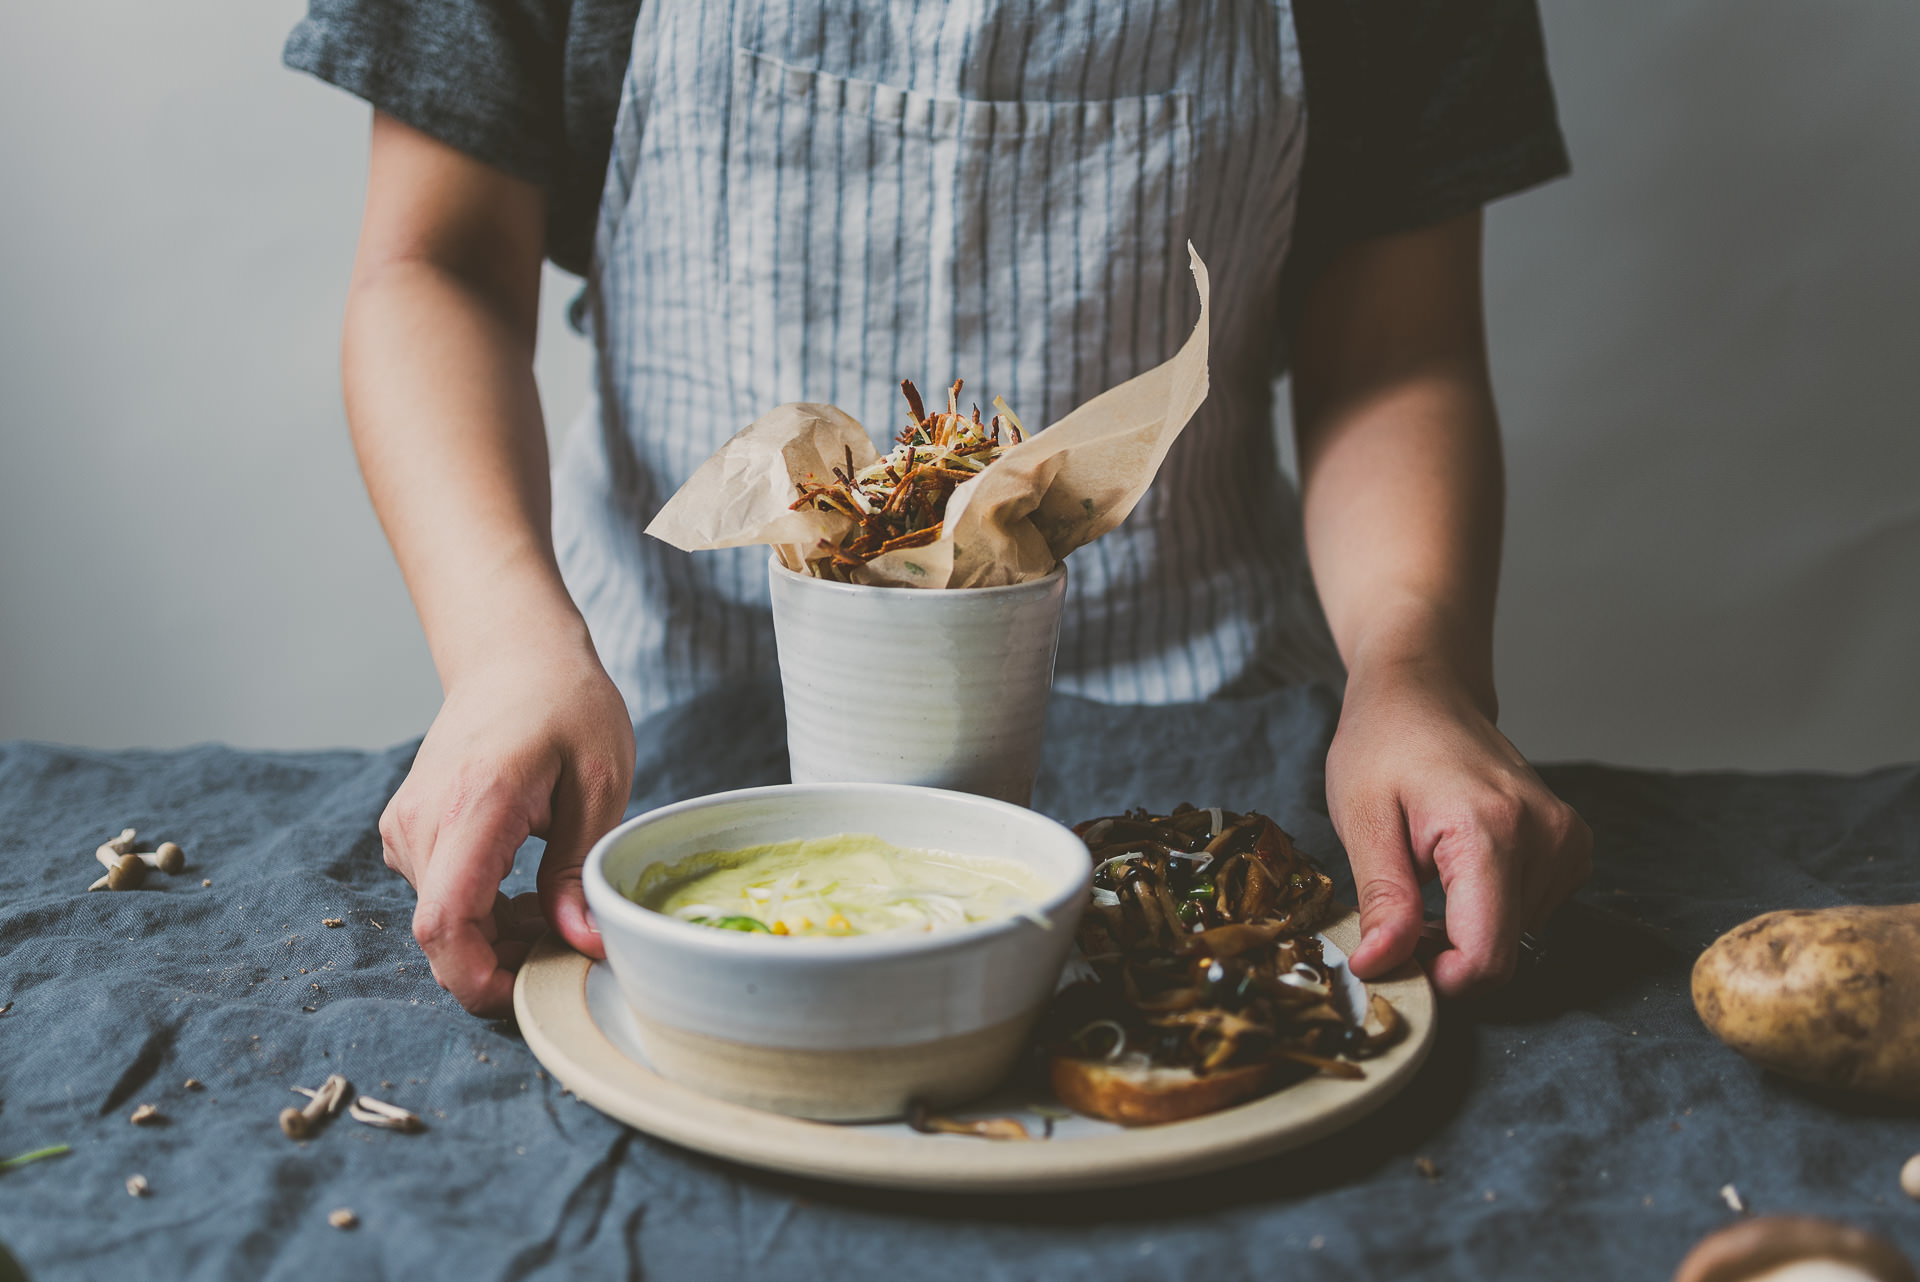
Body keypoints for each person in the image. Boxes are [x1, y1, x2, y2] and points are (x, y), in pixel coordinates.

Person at [286, 0, 1592, 1016]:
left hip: (1209, 785)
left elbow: (1394, 347)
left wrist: (1417, 663)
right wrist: (507, 648)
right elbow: (435, 264)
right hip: (659, 754)